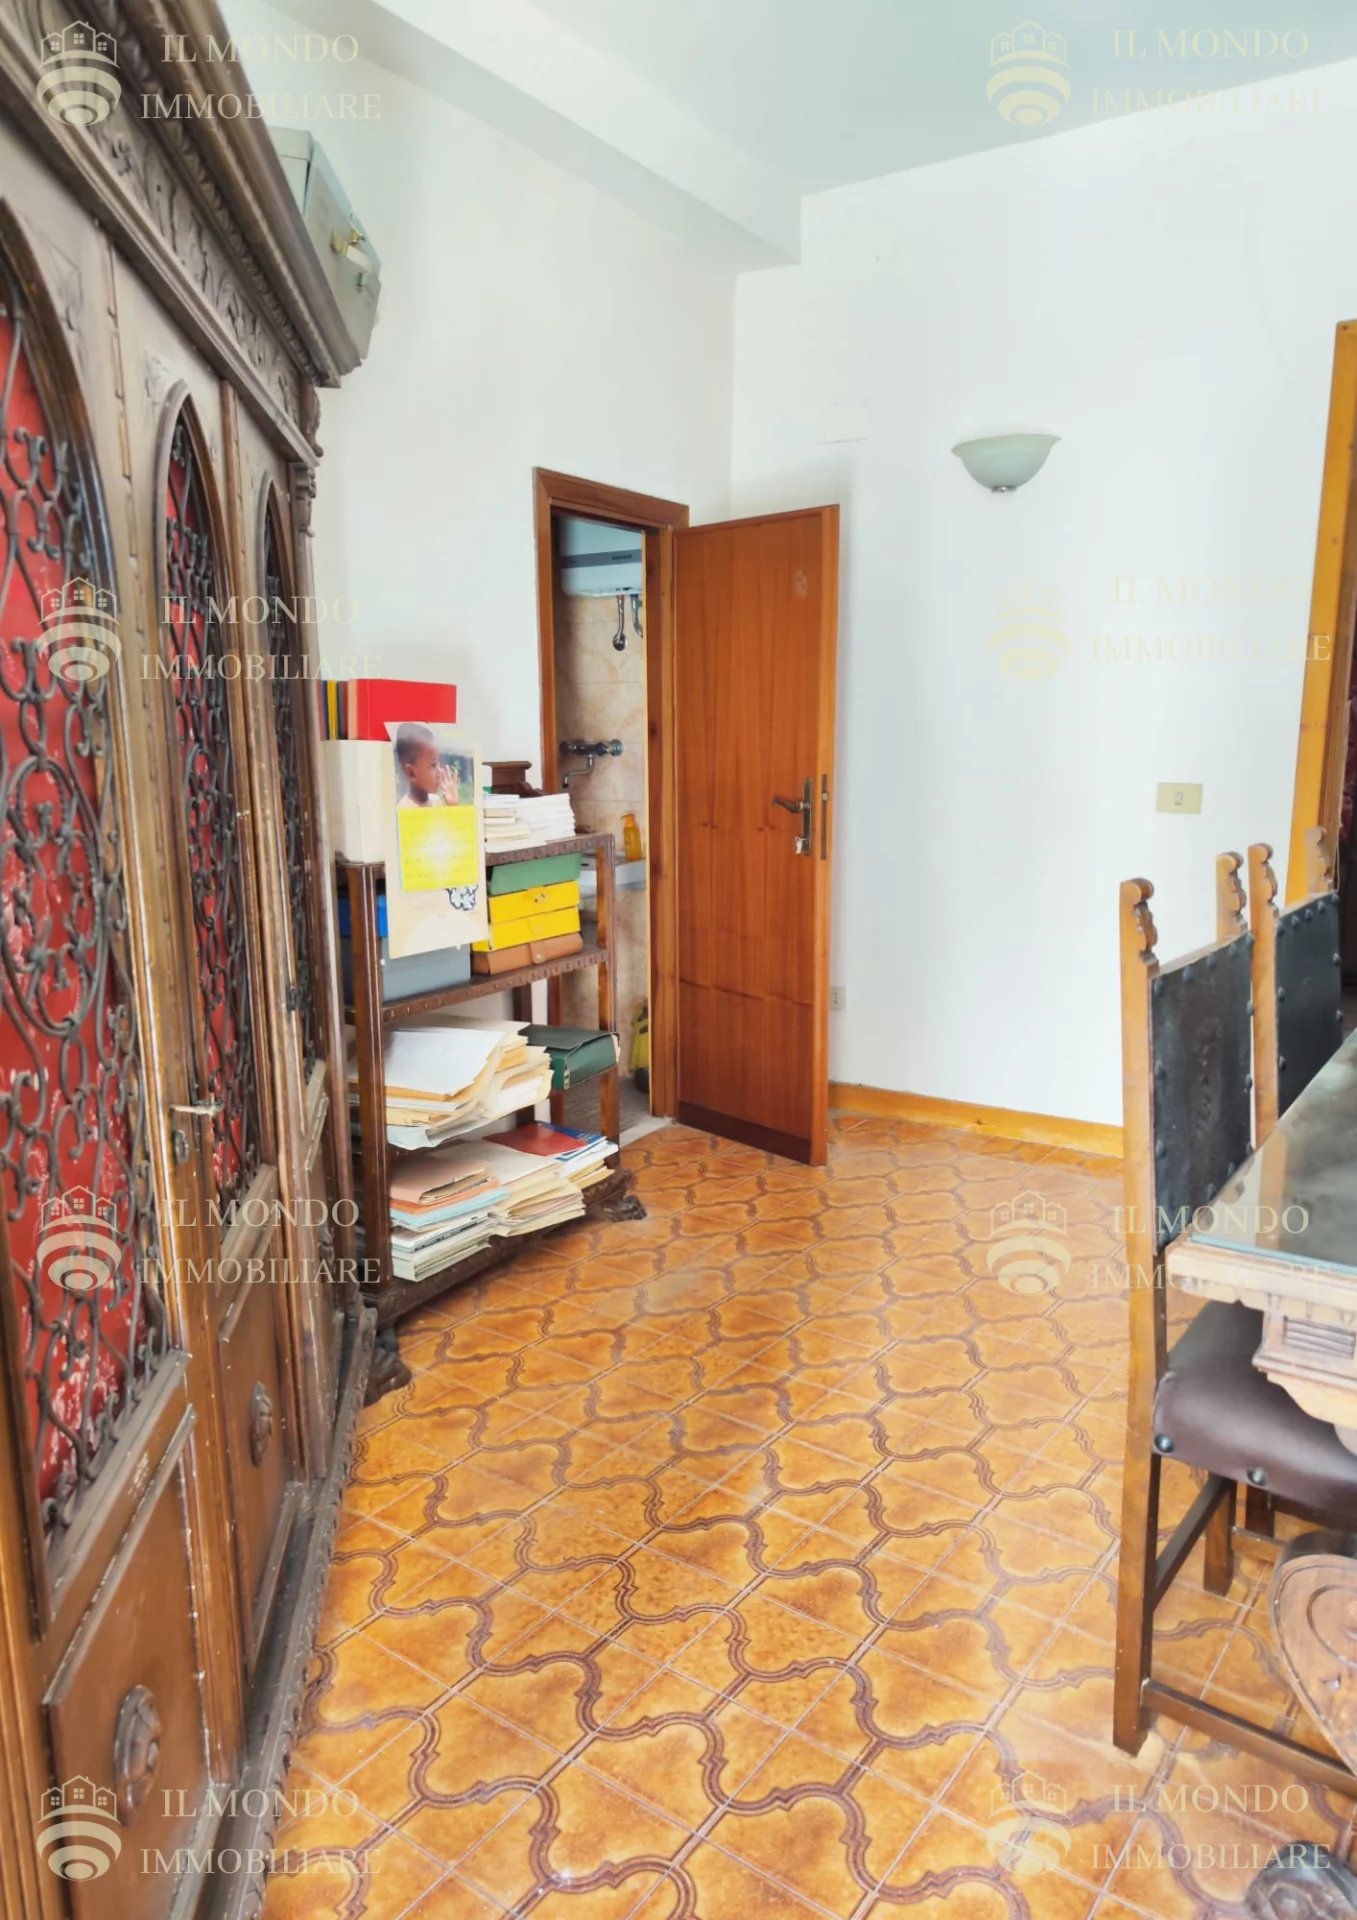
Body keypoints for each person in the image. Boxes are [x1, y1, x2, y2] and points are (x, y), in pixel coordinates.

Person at [395, 722, 458, 807]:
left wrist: (453, 805)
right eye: (433, 765)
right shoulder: (406, 808)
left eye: (438, 763)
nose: (440, 771)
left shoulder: (436, 801)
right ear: (411, 773)